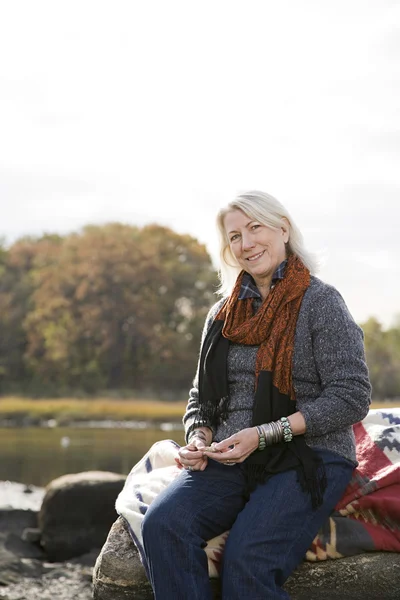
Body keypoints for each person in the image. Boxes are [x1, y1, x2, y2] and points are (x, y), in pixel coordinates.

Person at [141, 190, 371, 599]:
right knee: (163, 524)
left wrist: (266, 433)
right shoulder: (221, 314)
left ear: (282, 229)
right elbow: (200, 396)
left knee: (247, 559)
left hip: (308, 456)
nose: (246, 243)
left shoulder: (321, 303)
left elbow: (352, 396)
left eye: (255, 228)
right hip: (229, 456)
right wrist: (199, 437)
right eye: (234, 236)